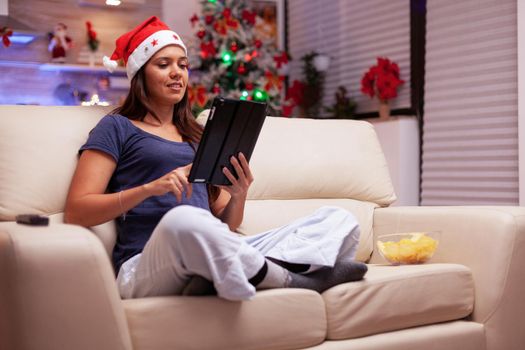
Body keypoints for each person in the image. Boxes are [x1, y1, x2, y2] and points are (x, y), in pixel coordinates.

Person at [64, 16, 367, 301]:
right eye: (163, 64)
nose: (176, 73)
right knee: (184, 219)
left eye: (182, 65)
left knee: (338, 219)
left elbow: (227, 225)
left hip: (210, 246)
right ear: (140, 73)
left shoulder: (197, 135)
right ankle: (290, 278)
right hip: (145, 263)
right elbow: (76, 212)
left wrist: (239, 194)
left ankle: (221, 273)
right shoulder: (116, 127)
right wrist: (149, 188)